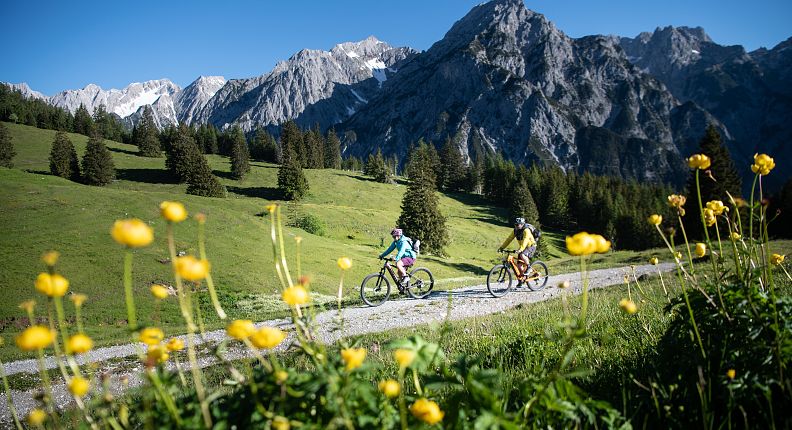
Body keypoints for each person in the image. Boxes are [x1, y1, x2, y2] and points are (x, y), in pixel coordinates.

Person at [498, 217, 536, 286]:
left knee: (522, 255)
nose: (516, 226)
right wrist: (502, 247)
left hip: (531, 246)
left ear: (522, 224)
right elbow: (509, 239)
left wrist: (520, 250)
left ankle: (529, 267)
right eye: (515, 224)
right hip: (523, 248)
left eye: (518, 225)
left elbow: (525, 240)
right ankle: (522, 279)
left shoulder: (526, 230)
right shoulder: (515, 230)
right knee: (519, 266)